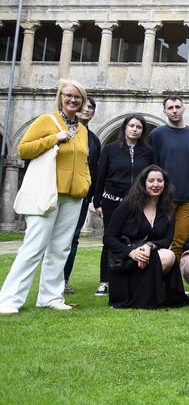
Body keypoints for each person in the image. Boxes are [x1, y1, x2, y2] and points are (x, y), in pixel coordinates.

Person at [0, 79, 91, 315]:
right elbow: (23, 149)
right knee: (34, 247)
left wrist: (85, 182)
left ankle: (50, 297)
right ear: (60, 97)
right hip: (47, 191)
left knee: (61, 248)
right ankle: (9, 299)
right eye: (68, 95)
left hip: (73, 196)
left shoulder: (82, 129)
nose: (73, 100)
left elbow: (82, 160)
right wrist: (53, 139)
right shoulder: (46, 120)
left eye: (77, 97)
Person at [103, 165, 189, 309]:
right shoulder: (128, 205)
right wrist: (132, 252)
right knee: (162, 257)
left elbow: (166, 240)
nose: (155, 184)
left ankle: (148, 294)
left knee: (168, 255)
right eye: (151, 181)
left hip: (147, 258)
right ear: (143, 183)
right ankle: (137, 294)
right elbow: (109, 237)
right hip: (125, 260)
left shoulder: (168, 210)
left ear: (165, 184)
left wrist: (148, 247)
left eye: (159, 181)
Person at [92, 114, 154, 297]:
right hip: (112, 202)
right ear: (125, 128)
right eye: (131, 126)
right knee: (111, 239)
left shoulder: (148, 152)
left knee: (134, 238)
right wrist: (97, 201)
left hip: (138, 202)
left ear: (142, 131)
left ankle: (131, 275)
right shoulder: (110, 149)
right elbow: (100, 175)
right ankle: (105, 280)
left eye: (139, 127)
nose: (135, 129)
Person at [149, 95, 189, 259]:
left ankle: (173, 283)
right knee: (159, 239)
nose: (174, 110)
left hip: (188, 200)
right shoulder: (157, 134)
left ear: (183, 108)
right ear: (165, 111)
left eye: (177, 107)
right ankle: (157, 279)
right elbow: (153, 167)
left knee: (179, 242)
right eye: (170, 108)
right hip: (164, 198)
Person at [63, 96, 101, 295]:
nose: (88, 110)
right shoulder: (65, 131)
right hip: (62, 193)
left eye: (91, 108)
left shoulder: (94, 139)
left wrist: (94, 198)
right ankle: (51, 278)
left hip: (82, 196)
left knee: (74, 238)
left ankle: (64, 279)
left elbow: (95, 169)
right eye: (85, 107)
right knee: (56, 238)